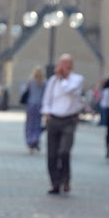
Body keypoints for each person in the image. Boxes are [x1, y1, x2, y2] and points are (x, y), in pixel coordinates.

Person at [41, 53, 84, 195]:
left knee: (64, 152)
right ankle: (55, 183)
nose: (64, 66)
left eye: (67, 64)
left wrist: (63, 78)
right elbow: (47, 98)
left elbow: (69, 90)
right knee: (52, 155)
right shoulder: (52, 81)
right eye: (62, 63)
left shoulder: (76, 79)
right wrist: (47, 113)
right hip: (54, 119)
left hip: (69, 120)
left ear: (71, 65)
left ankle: (66, 179)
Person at [23, 66, 46, 153]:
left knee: (29, 125)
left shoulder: (30, 81)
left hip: (31, 104)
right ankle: (36, 138)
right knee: (37, 124)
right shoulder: (44, 82)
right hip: (40, 105)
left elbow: (26, 91)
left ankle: (30, 142)